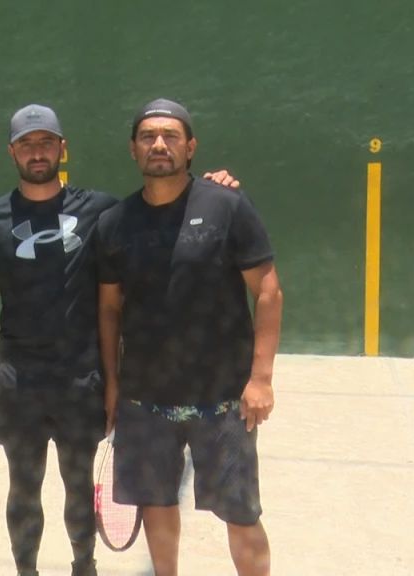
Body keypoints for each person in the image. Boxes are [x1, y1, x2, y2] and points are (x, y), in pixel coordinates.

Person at [0, 104, 243, 576]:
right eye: (27, 144)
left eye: (46, 142)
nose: (37, 153)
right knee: (24, 488)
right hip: (19, 381)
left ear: (62, 148)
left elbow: (164, 207)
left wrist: (213, 188)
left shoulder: (102, 211)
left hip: (81, 379)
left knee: (78, 486)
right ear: (12, 151)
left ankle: (83, 567)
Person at [95, 98, 283, 576]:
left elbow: (267, 290)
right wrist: (114, 386)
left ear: (191, 147)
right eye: (148, 137)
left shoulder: (227, 206)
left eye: (171, 136)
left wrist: (260, 378)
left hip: (222, 399)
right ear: (133, 150)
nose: (159, 144)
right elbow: (110, 307)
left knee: (241, 515)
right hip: (145, 400)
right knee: (157, 506)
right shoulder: (115, 224)